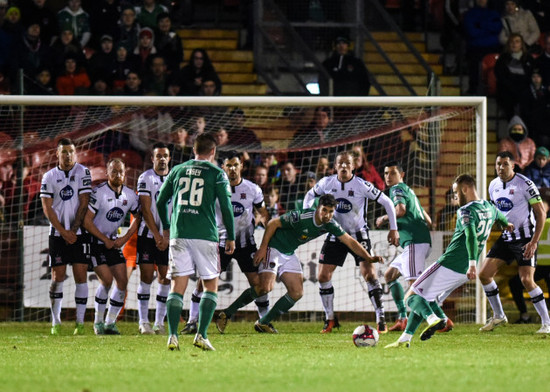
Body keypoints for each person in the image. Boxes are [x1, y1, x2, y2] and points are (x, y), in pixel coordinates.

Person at [385, 174, 513, 348]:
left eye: (455, 192)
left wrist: (472, 264)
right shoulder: (489, 206)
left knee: (411, 296)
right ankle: (405, 339)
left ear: (465, 189)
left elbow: (471, 236)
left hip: (451, 263)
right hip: (463, 272)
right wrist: (508, 225)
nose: (455, 197)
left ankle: (435, 319)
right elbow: (500, 217)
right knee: (426, 297)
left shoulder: (465, 211)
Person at [242, 194, 383, 333]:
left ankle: (263, 322)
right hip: (274, 247)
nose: (327, 215)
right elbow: (274, 223)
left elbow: (350, 241)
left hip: (289, 252)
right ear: (318, 208)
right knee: (265, 287)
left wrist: (368, 257)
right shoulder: (304, 217)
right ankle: (229, 313)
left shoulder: (331, 224)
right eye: (324, 210)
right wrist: (263, 247)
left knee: (297, 292)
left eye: (330, 212)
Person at [303, 151, 399, 333]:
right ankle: (330, 319)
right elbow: (309, 196)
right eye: (341, 163)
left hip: (358, 234)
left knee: (369, 275)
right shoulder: (327, 183)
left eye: (348, 163)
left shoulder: (362, 185)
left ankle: (381, 319)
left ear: (354, 166)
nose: (344, 166)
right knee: (323, 276)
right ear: (335, 167)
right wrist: (308, 214)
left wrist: (393, 228)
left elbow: (387, 202)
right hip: (335, 234)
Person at [156, 133, 235, 351]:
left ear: (193, 150)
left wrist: (165, 225)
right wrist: (231, 235)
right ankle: (201, 334)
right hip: (205, 236)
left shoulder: (177, 170)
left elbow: (161, 201)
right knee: (211, 285)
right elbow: (227, 208)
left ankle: (172, 335)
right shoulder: (217, 173)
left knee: (177, 287)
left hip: (179, 233)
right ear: (213, 152)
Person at [187, 154, 270, 334]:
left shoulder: (252, 189)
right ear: (223, 167)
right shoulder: (212, 188)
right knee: (204, 281)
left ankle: (265, 320)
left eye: (235, 165)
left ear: (241, 167)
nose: (232, 169)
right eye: (229, 165)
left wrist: (259, 222)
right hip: (221, 243)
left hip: (246, 244)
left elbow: (264, 213)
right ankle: (193, 320)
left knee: (258, 284)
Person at [376, 162, 453, 333]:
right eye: (386, 173)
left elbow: (401, 210)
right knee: (389, 275)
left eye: (393, 173)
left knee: (415, 286)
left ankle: (442, 319)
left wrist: (384, 218)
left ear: (401, 174)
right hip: (417, 242)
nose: (388, 177)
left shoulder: (396, 189)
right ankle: (402, 318)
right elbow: (426, 217)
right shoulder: (408, 189)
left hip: (414, 243)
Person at [478, 151, 550, 334]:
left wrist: (534, 242)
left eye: (505, 164)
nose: (501, 168)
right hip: (506, 238)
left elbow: (541, 213)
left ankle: (547, 324)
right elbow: (497, 212)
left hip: (525, 239)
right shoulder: (493, 185)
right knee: (484, 274)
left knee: (527, 280)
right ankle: (499, 315)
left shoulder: (525, 184)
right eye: (498, 164)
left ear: (513, 165)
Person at [40, 138, 92, 335]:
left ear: (75, 153)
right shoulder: (49, 177)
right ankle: (56, 322)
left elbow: (84, 200)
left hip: (79, 234)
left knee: (81, 276)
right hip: (57, 234)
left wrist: (74, 230)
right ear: (57, 154)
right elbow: (47, 208)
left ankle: (79, 323)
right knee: (57, 277)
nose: (68, 155)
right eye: (64, 152)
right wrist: (63, 232)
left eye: (71, 151)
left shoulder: (83, 172)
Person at [83, 158, 141, 335]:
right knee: (107, 280)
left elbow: (139, 216)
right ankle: (98, 322)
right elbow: (86, 221)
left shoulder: (130, 195)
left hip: (113, 242)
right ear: (107, 173)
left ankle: (110, 323)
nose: (118, 175)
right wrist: (104, 239)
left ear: (125, 174)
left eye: (121, 172)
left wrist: (124, 238)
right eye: (114, 171)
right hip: (95, 243)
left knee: (122, 282)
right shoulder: (98, 193)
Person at [135, 143, 172, 335]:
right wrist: (158, 235)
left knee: (165, 277)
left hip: (168, 237)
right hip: (148, 235)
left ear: (169, 158)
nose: (162, 159)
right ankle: (143, 321)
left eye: (165, 155)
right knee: (147, 276)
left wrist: (167, 235)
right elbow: (145, 209)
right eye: (159, 156)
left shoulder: (176, 178)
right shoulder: (145, 178)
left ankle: (159, 322)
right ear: (153, 159)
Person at [508, 199, 550, 323]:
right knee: (517, 282)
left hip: (538, 266)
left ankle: (525, 315)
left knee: (515, 283)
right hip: (539, 266)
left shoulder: (529, 224)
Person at [495, 33, 535, 120]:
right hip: (507, 90)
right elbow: (500, 76)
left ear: (521, 44)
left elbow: (531, 75)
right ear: (508, 44)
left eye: (517, 42)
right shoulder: (503, 58)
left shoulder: (528, 58)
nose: (514, 44)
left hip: (524, 90)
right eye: (512, 42)